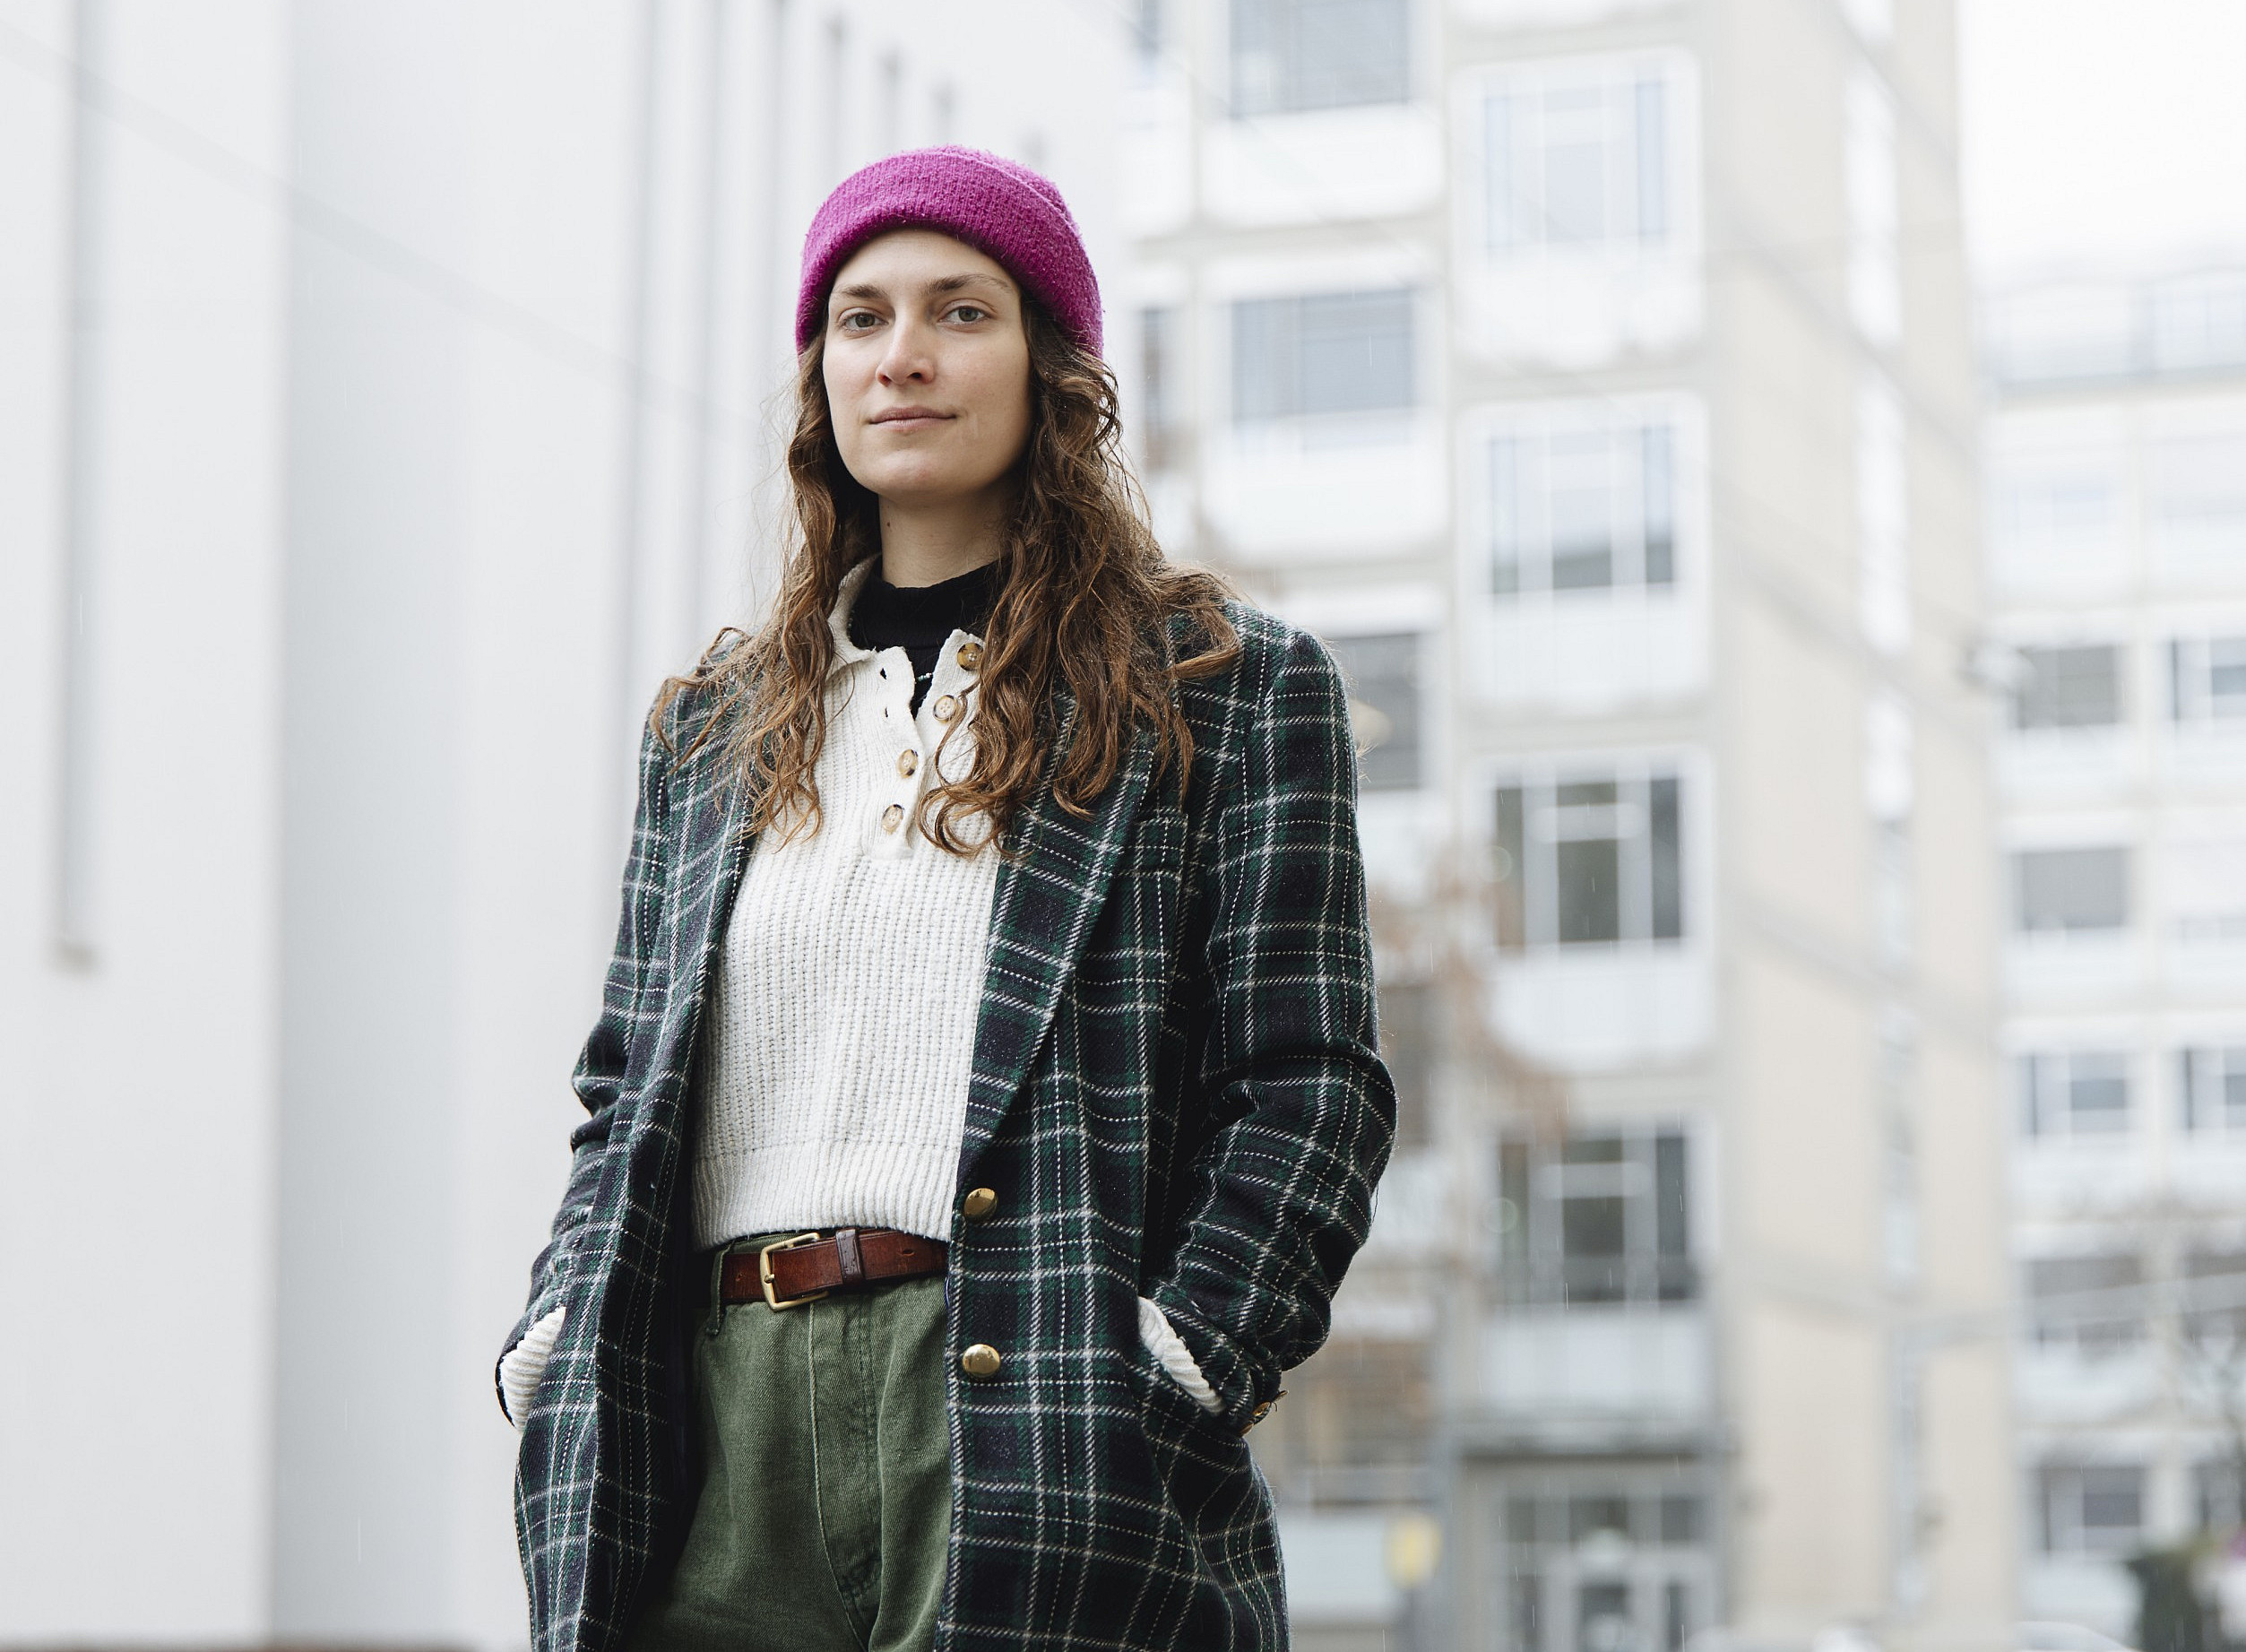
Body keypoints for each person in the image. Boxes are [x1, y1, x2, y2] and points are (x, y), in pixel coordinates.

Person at [496, 145, 1395, 1652]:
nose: (900, 355)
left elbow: (1309, 1081)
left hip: (1035, 1409)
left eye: (959, 312)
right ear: (820, 378)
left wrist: (1185, 1358)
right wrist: (551, 1335)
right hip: (698, 1423)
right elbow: (621, 1088)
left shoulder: (1222, 690)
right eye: (860, 318)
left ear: (1053, 369)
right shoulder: (714, 729)